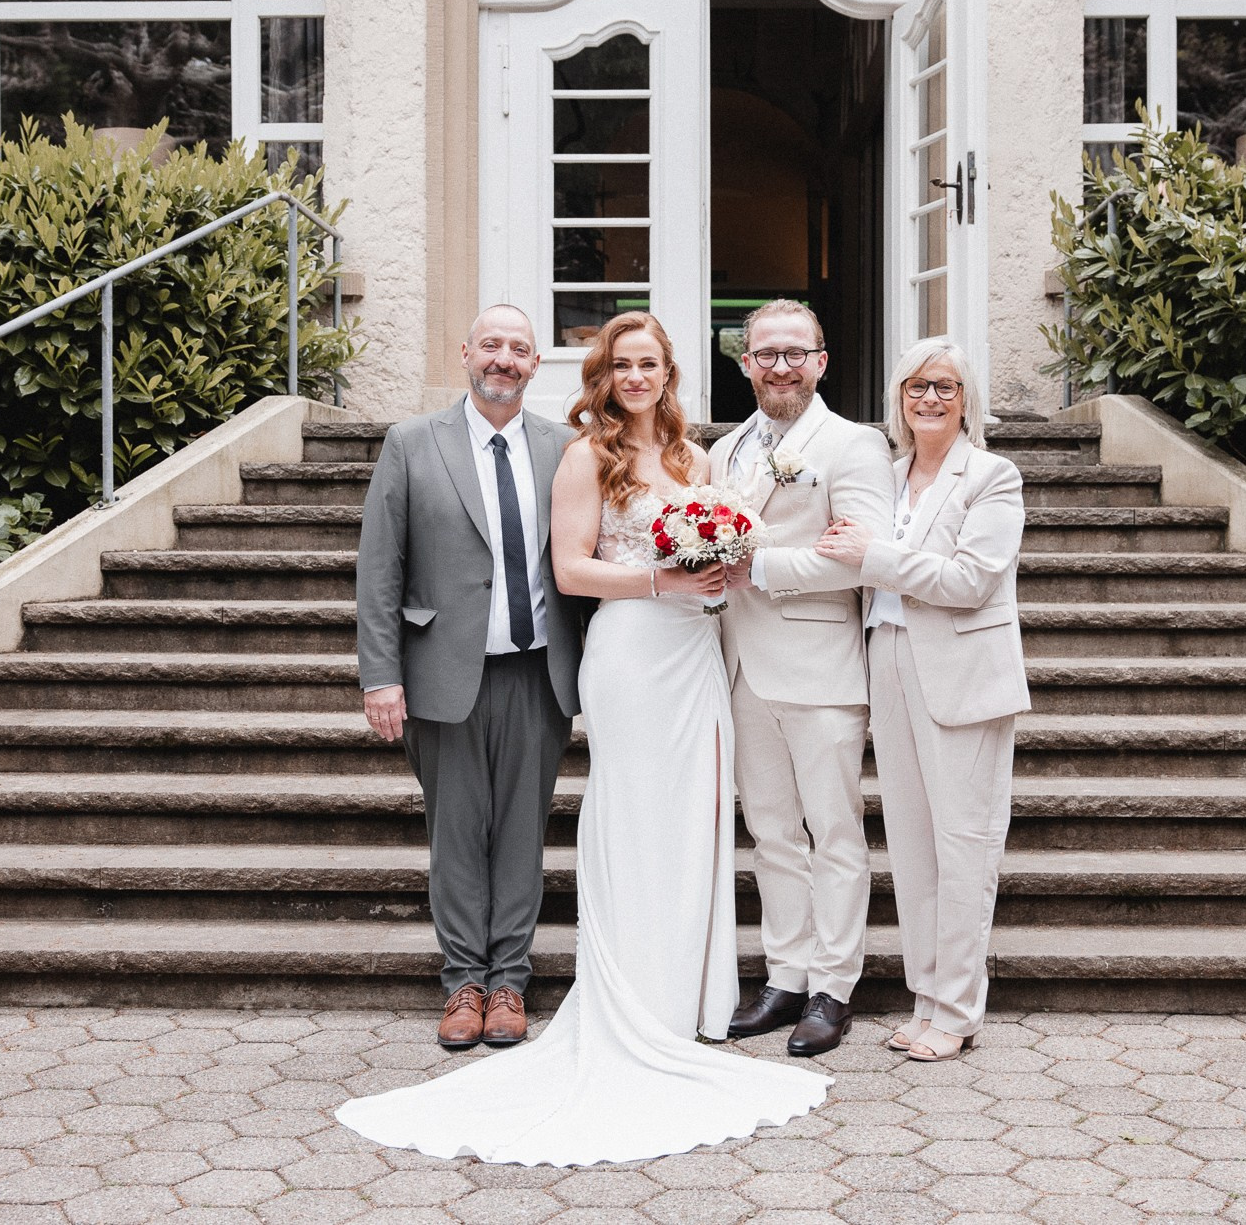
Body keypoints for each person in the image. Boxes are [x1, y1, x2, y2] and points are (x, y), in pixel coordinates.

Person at [335, 313, 831, 1165]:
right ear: (604, 373)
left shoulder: (696, 460)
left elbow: (717, 565)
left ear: (669, 373)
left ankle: (677, 1000)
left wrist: (712, 581)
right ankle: (526, 988)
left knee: (684, 822)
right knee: (600, 821)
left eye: (650, 363)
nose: (636, 376)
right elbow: (565, 569)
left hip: (685, 660)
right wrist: (661, 579)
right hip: (620, 656)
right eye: (622, 364)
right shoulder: (573, 455)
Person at [353, 304, 582, 1051]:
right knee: (456, 834)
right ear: (465, 352)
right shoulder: (412, 443)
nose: (503, 359)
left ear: (535, 364)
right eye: (491, 344)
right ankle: (463, 982)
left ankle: (511, 979)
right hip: (445, 674)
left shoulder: (565, 448)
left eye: (519, 348)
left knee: (521, 832)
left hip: (535, 671)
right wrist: (381, 675)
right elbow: (379, 570)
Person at [816, 337, 1029, 1063]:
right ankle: (925, 996)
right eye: (915, 387)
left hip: (965, 672)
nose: (929, 399)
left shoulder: (992, 477)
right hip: (891, 659)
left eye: (943, 386)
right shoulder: (891, 471)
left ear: (965, 398)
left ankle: (960, 1008)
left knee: (964, 846)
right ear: (898, 399)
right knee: (911, 846)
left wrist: (872, 556)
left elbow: (971, 578)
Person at [711, 299, 893, 1056]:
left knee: (835, 833)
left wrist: (762, 568)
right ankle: (783, 976)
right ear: (745, 362)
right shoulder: (723, 452)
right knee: (772, 833)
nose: (779, 365)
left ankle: (832, 987)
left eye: (795, 352)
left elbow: (861, 549)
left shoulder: (854, 445)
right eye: (765, 353)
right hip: (741, 666)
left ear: (821, 361)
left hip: (821, 669)